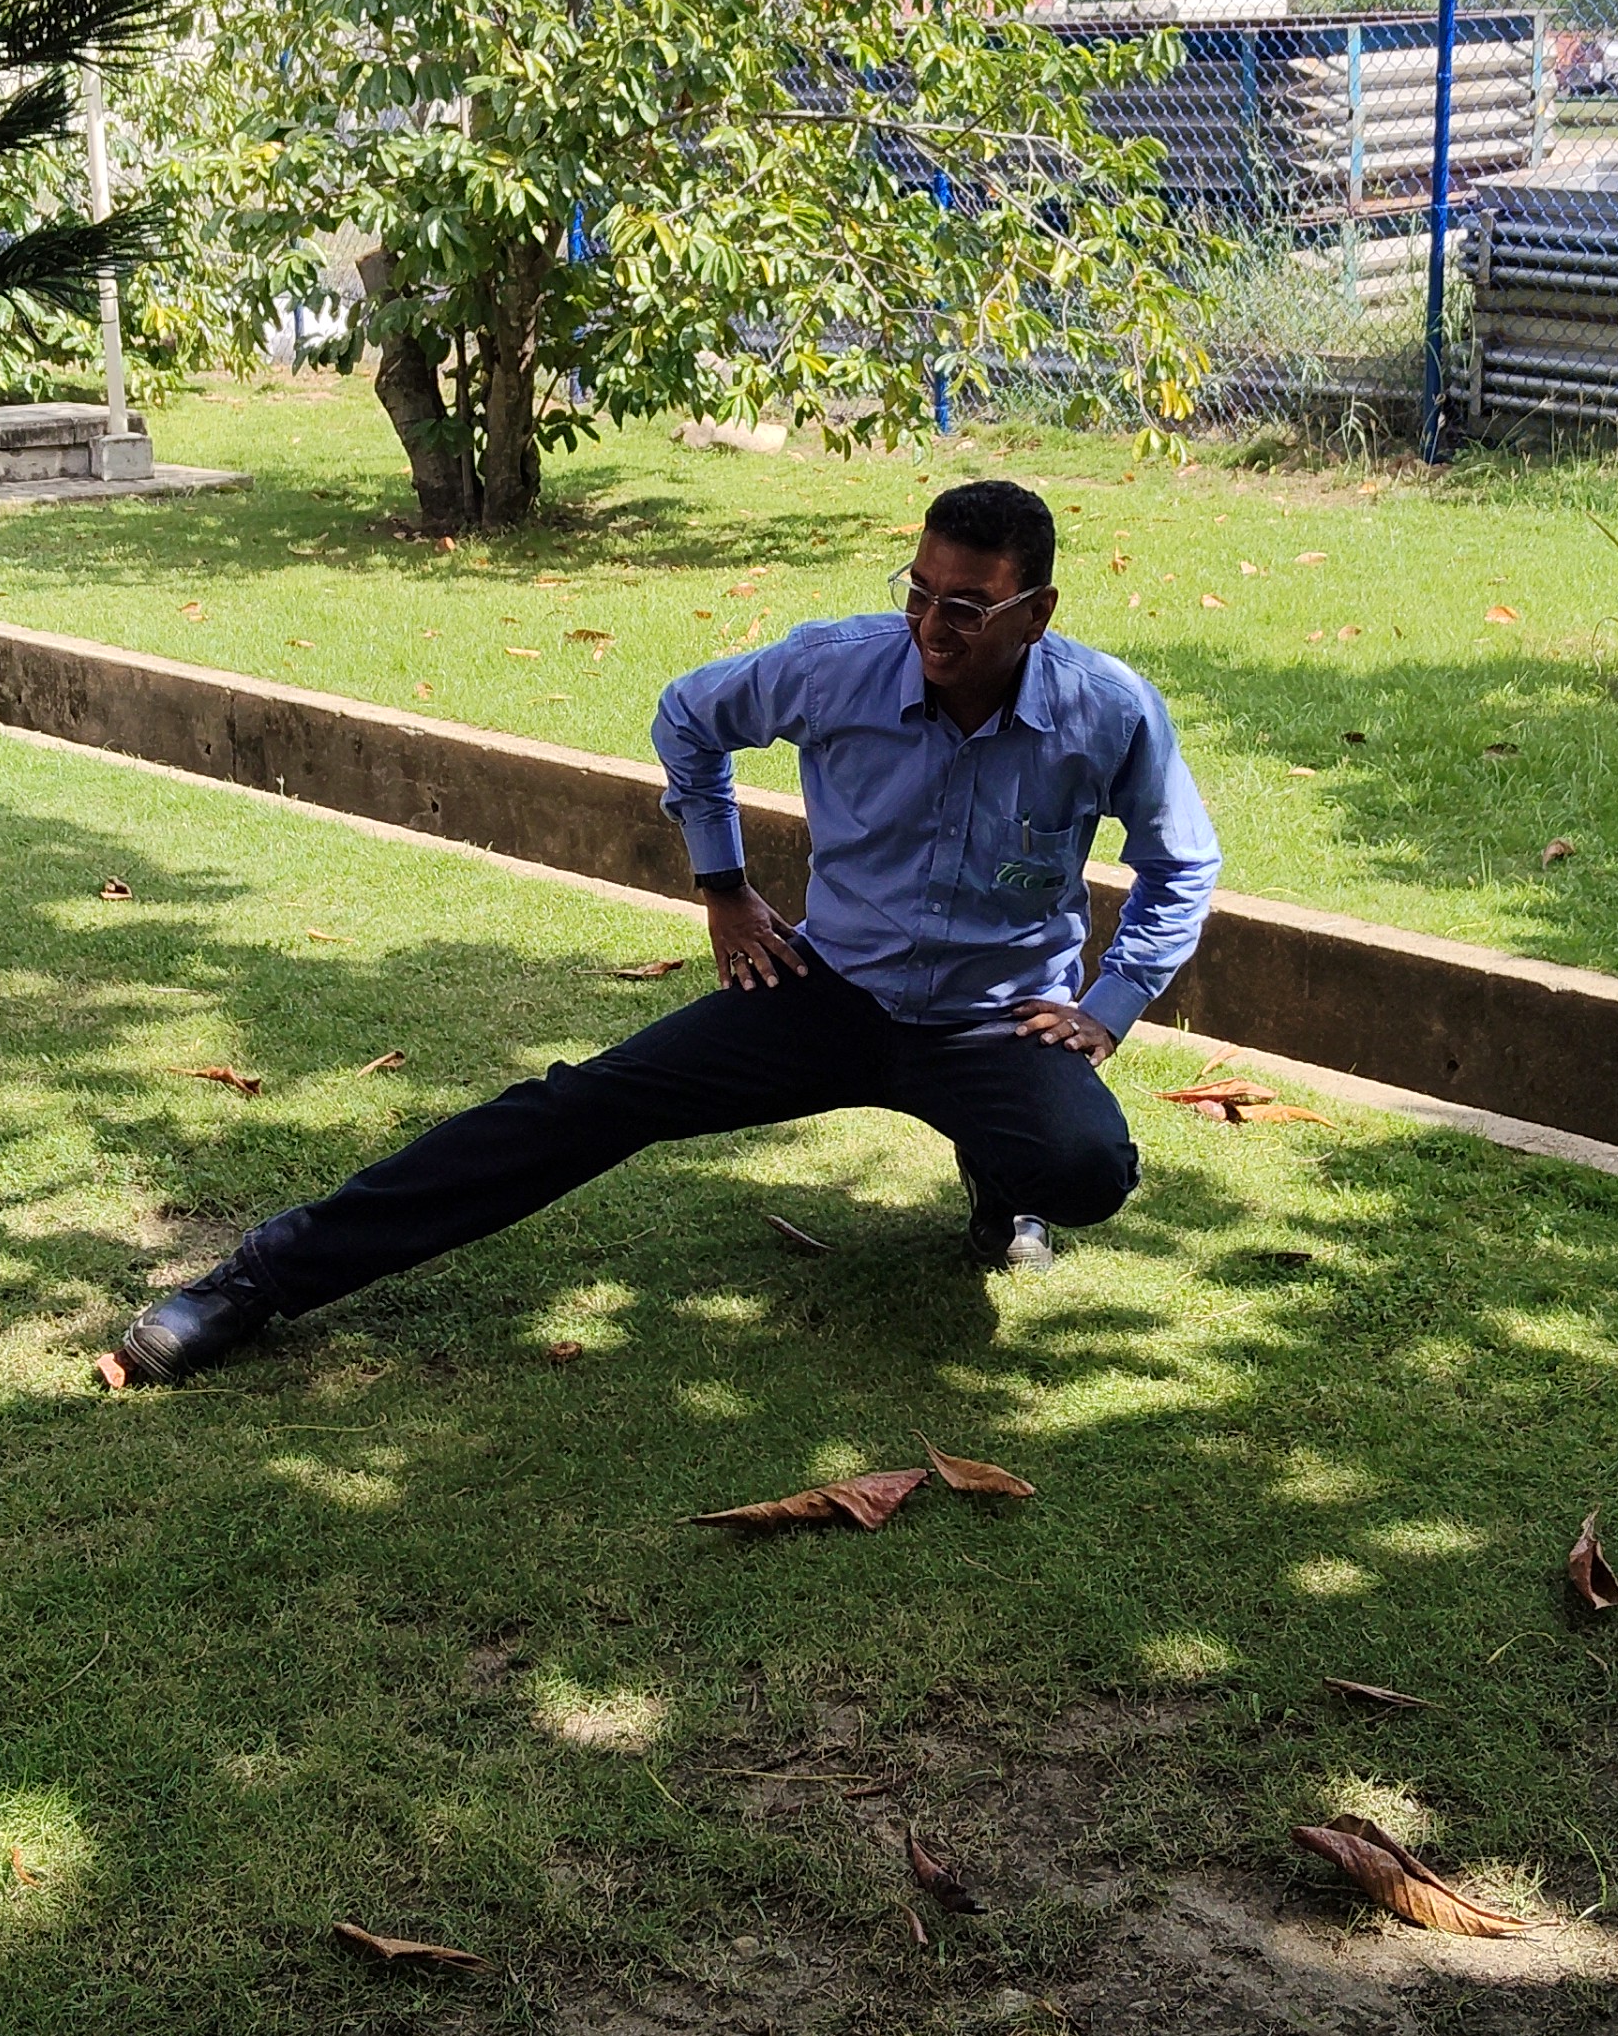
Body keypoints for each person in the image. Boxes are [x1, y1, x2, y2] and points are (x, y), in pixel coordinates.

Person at [115, 476, 1222, 1384]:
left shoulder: (1107, 710)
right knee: (580, 1106)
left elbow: (1183, 864)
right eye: (919, 593)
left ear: (1037, 612)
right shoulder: (836, 666)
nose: (933, 627)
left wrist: (1108, 1006)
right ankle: (255, 1282)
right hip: (826, 991)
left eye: (969, 608)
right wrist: (724, 886)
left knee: (1086, 1169)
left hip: (993, 1022)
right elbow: (688, 717)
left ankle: (1005, 1178)